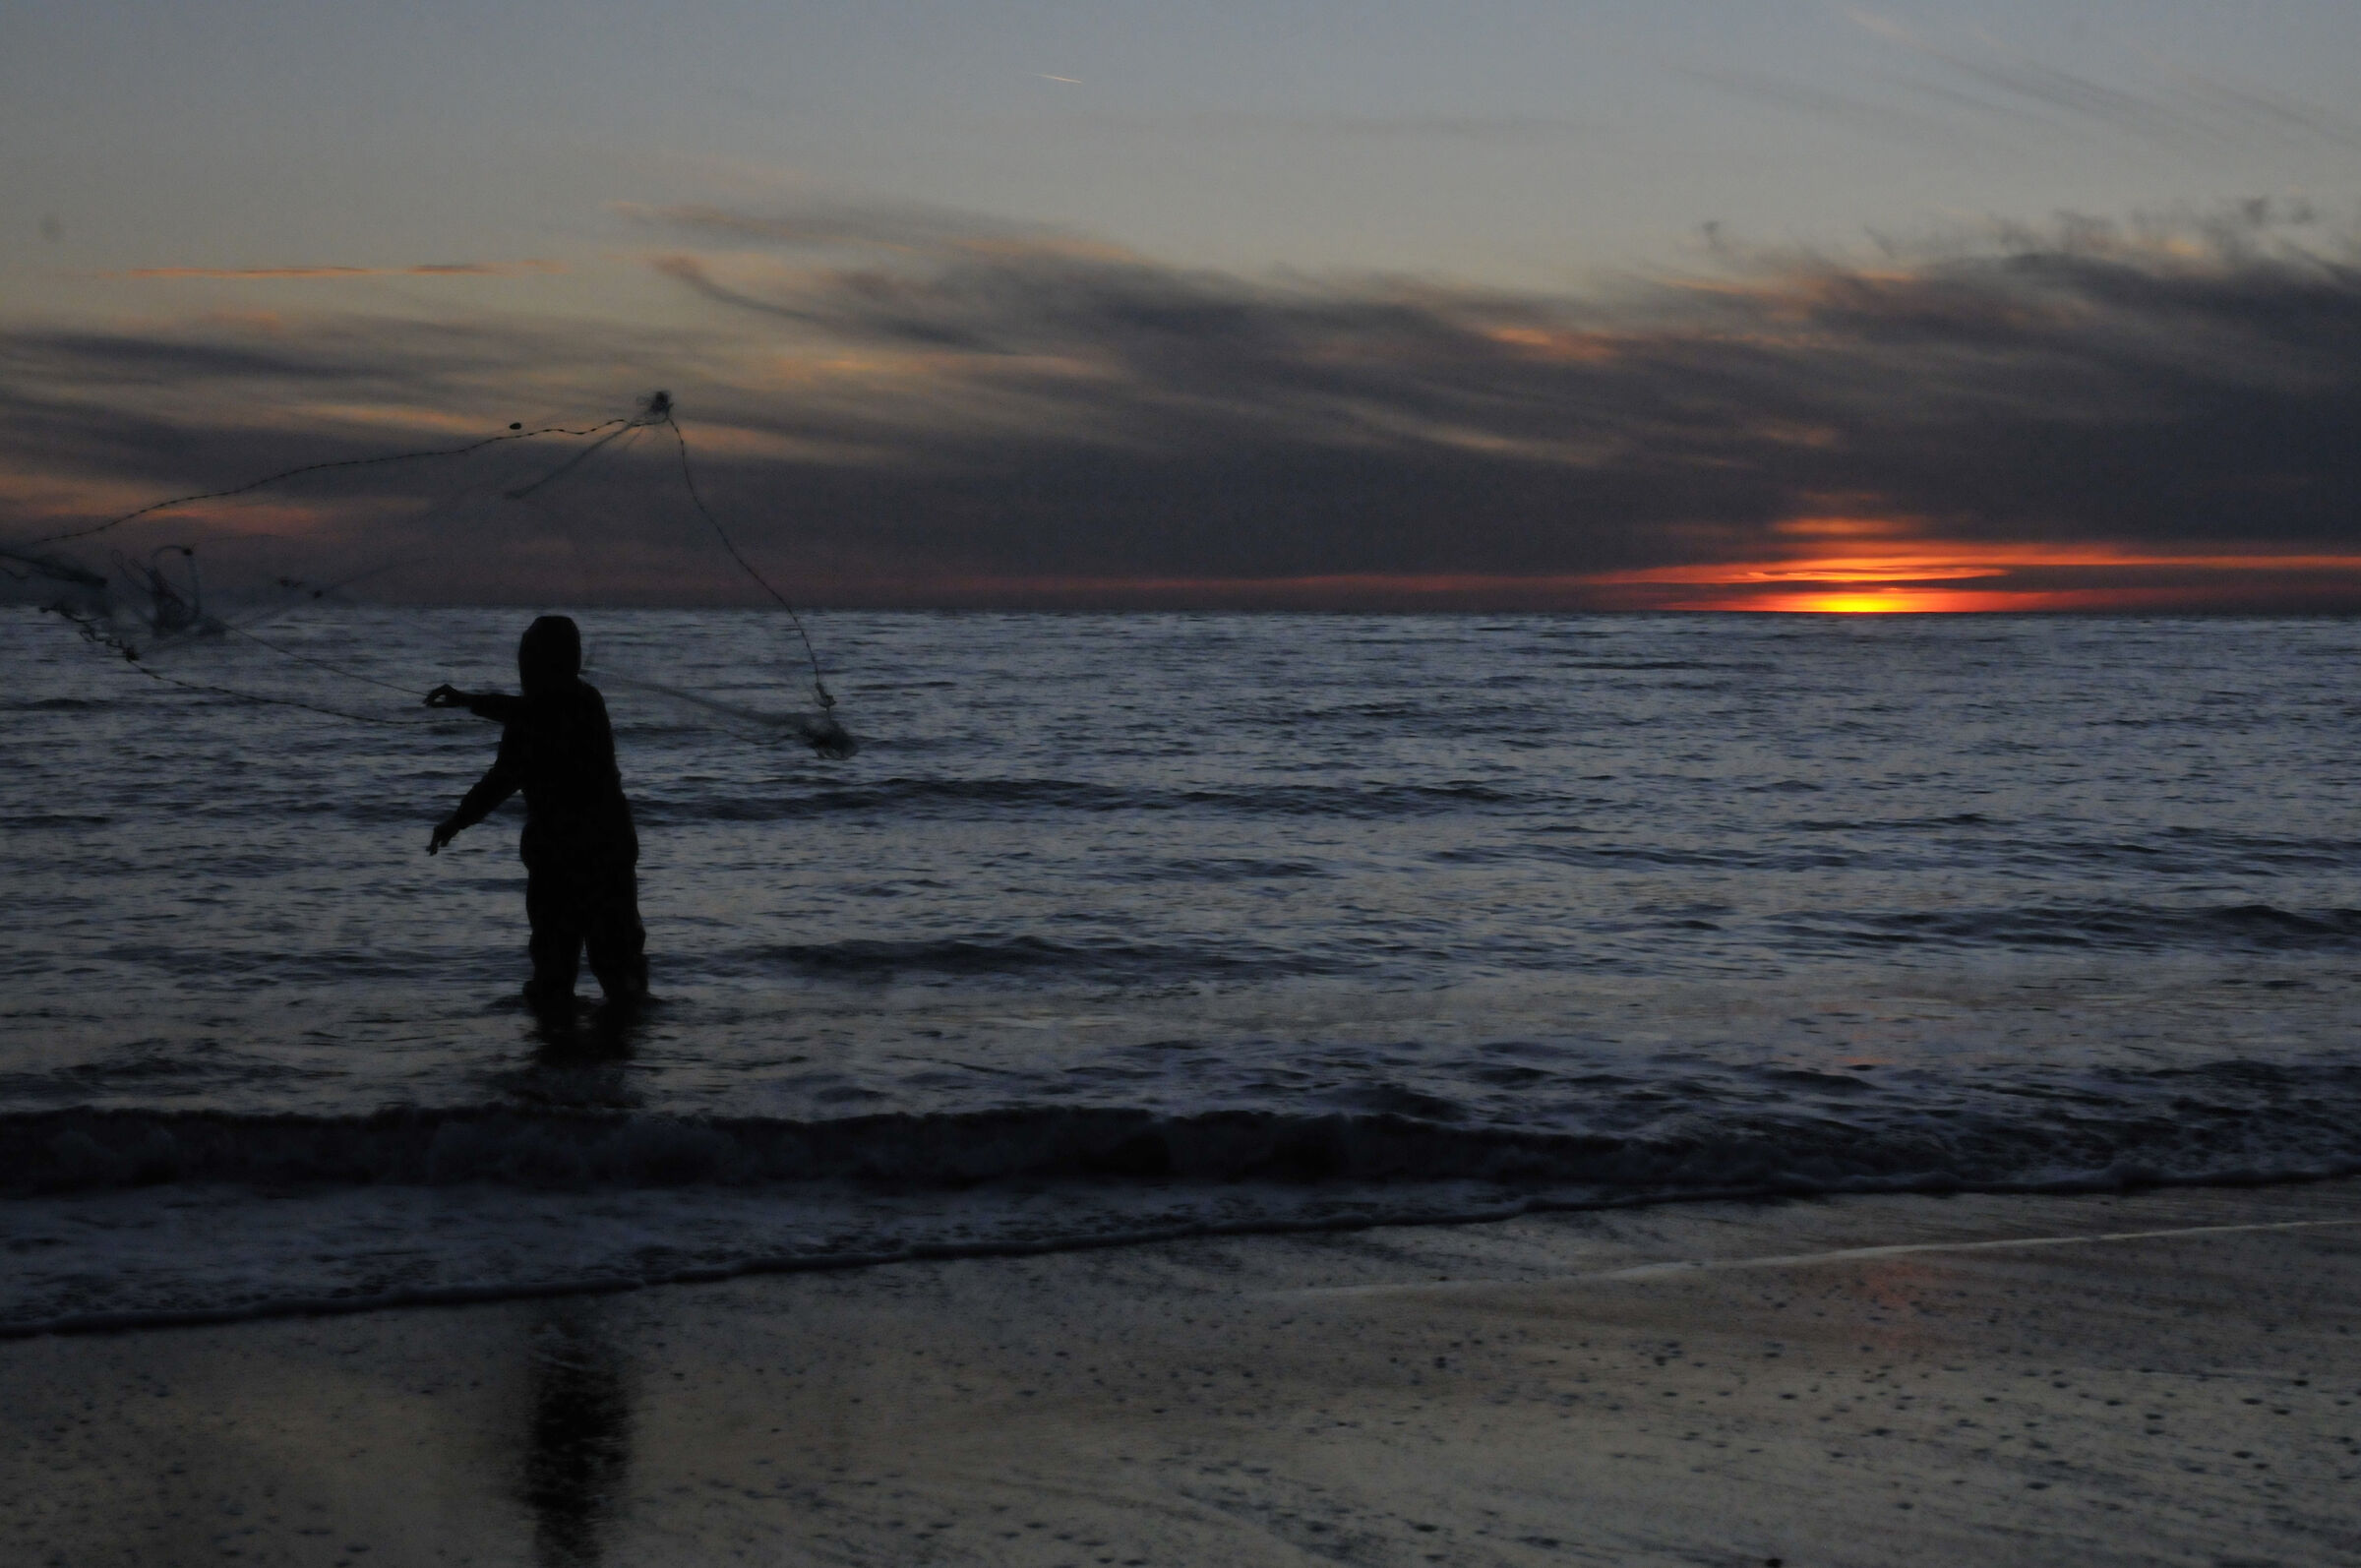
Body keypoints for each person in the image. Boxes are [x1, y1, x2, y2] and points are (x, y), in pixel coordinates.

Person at [426, 615, 647, 1019]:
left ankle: (596, 1061)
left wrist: (467, 701)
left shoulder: (579, 704)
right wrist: (456, 822)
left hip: (590, 856)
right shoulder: (542, 713)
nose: (522, 665)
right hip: (573, 856)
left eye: (530, 656)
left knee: (610, 966)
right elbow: (501, 779)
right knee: (561, 971)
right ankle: (579, 1063)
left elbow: (534, 720)